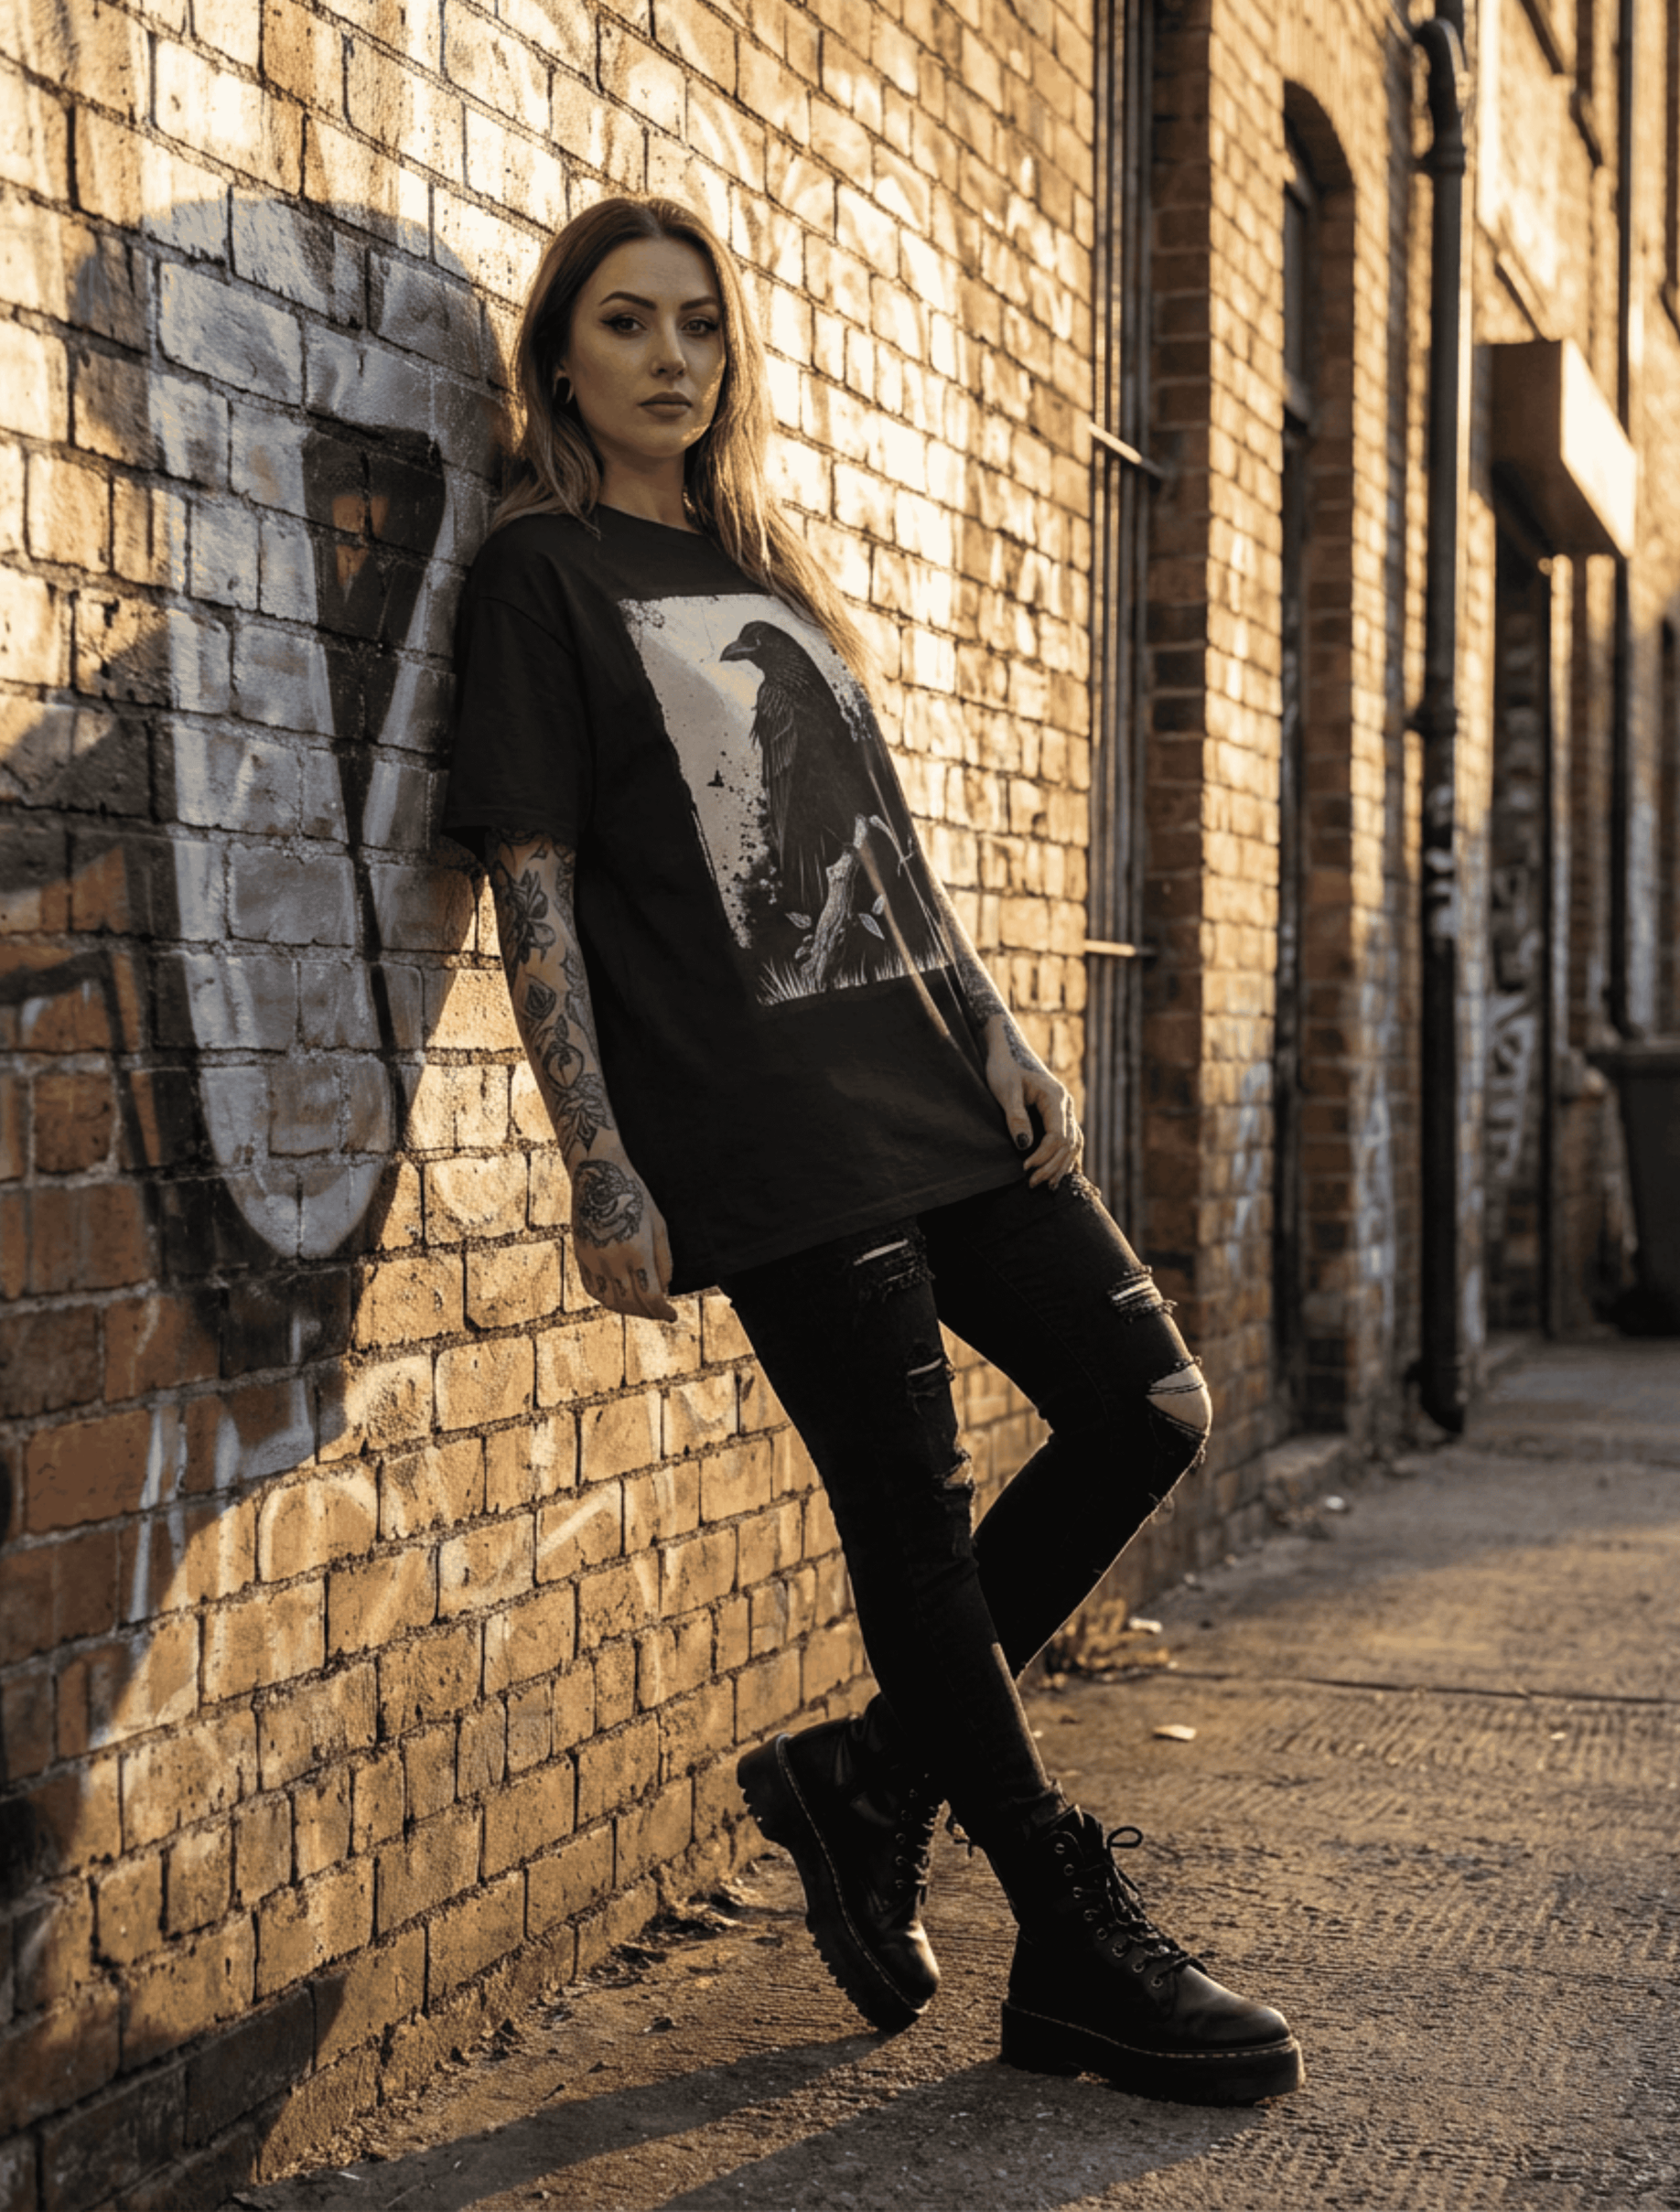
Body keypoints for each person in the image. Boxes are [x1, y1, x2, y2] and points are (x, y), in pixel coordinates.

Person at [443, 195, 1302, 2108]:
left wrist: (995, 1028)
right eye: (625, 321)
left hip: (923, 1082)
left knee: (1144, 1405)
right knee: (908, 1511)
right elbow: (533, 876)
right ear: (557, 354)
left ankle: (865, 1778)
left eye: (698, 324)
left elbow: (874, 847)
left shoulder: (761, 560)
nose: (671, 357)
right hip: (757, 1118)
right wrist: (598, 1159)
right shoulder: (537, 576)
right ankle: (1066, 1942)